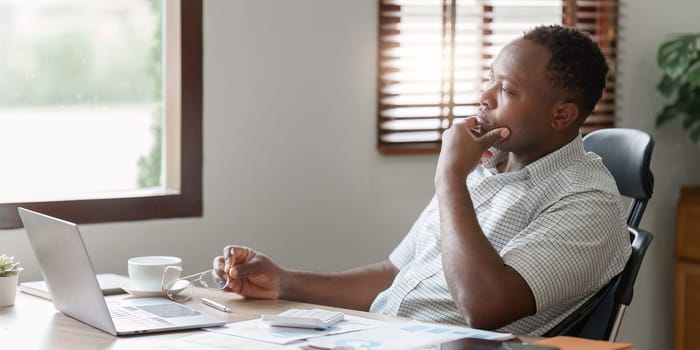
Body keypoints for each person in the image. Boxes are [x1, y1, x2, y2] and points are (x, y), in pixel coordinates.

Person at [212, 24, 632, 336]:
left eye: (505, 90)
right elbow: (392, 274)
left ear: (562, 114)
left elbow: (484, 308)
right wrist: (283, 282)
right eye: (489, 78)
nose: (483, 97)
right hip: (375, 336)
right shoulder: (487, 172)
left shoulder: (586, 203)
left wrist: (449, 176)